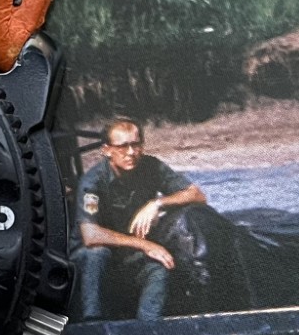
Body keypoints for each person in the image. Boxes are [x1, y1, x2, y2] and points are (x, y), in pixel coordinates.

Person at [71, 118, 208, 321]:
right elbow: (91, 235)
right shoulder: (93, 183)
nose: (130, 152)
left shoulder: (150, 167)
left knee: (159, 268)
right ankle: (92, 322)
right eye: (122, 146)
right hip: (89, 262)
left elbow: (197, 195)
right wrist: (146, 245)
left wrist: (157, 203)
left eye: (136, 145)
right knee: (97, 254)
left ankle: (148, 329)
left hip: (128, 257)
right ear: (107, 150)